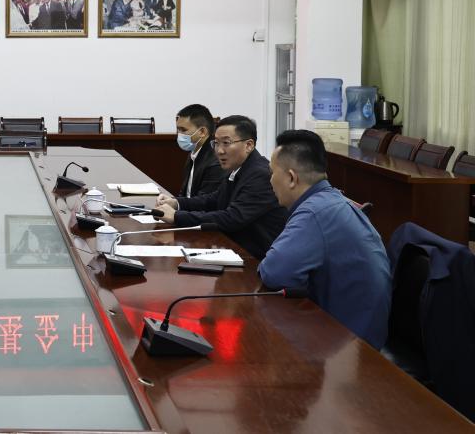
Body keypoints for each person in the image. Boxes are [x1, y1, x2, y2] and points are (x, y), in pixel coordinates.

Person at [259, 130, 391, 348]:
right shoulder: (329, 200)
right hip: (352, 333)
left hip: (351, 346)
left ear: (291, 178)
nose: (270, 180)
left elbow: (274, 272)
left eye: (272, 173)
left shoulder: (315, 212)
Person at [154, 115, 287, 260]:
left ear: (249, 145)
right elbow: (215, 199)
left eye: (226, 143)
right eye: (216, 143)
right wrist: (177, 203)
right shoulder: (240, 167)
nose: (219, 151)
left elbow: (232, 218)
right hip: (235, 249)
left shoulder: (260, 174)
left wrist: (176, 216)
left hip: (255, 259)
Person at [175, 103, 224, 198]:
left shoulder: (215, 162)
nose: (179, 135)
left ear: (202, 132)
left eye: (183, 130)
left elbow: (205, 202)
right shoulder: (194, 153)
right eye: (178, 130)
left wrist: (176, 204)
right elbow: (185, 193)